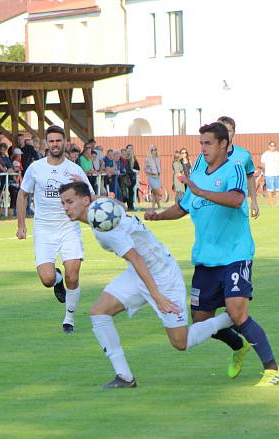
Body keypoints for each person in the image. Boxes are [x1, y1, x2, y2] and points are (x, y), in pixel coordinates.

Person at [145, 122, 279, 386]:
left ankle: (273, 369)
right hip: (205, 259)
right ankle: (238, 346)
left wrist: (200, 191)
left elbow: (235, 199)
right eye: (201, 143)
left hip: (235, 255)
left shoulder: (234, 169)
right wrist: (159, 217)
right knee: (201, 322)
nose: (203, 148)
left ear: (223, 144)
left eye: (208, 143)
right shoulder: (198, 173)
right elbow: (185, 206)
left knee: (237, 312)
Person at [59, 181, 235, 388]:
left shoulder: (104, 228)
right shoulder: (103, 209)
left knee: (181, 342)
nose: (66, 208)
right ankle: (124, 377)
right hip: (140, 273)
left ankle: (231, 318)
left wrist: (158, 297)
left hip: (162, 274)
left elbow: (137, 259)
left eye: (70, 201)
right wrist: (95, 198)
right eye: (63, 203)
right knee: (98, 312)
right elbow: (122, 206)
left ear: (86, 200)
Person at [16, 125, 94, 333]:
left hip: (69, 227)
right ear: (46, 144)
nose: (55, 144)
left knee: (74, 274)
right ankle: (57, 280)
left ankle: (69, 319)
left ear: (64, 142)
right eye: (51, 141)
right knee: (47, 279)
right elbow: (23, 194)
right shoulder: (36, 168)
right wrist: (21, 225)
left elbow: (90, 198)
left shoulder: (75, 170)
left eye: (58, 140)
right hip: (43, 229)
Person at [260, 141, 279, 207]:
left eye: (274, 146)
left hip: (277, 173)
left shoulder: (277, 153)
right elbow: (262, 164)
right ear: (268, 146)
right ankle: (271, 202)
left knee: (278, 188)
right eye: (271, 146)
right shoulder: (265, 154)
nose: (273, 147)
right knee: (270, 189)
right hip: (269, 174)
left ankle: (278, 202)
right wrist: (264, 172)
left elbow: (278, 163)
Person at [144, 145, 163, 209]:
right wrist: (151, 172)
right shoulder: (148, 159)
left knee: (154, 194)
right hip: (151, 177)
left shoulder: (158, 158)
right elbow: (145, 169)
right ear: (150, 151)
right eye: (152, 150)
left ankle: (154, 207)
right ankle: (159, 206)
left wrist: (159, 171)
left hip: (157, 177)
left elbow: (159, 167)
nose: (154, 151)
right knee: (157, 192)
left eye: (155, 149)